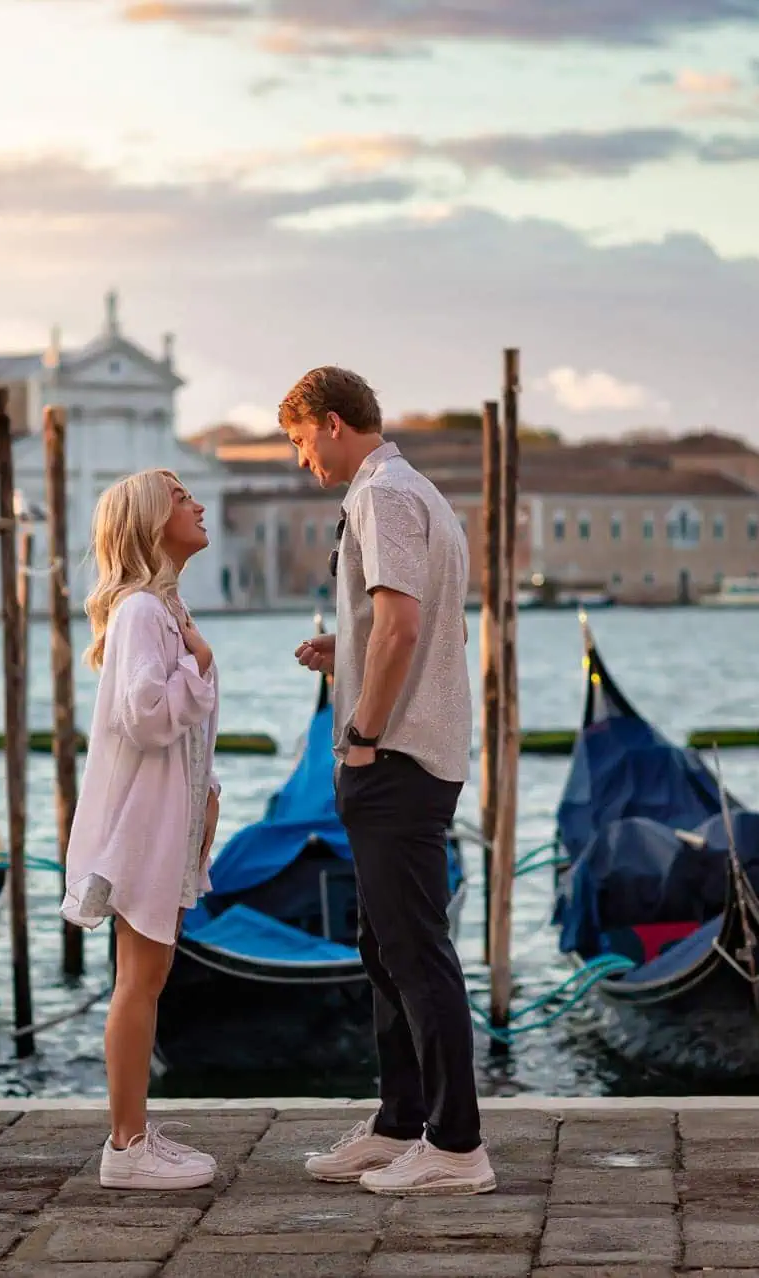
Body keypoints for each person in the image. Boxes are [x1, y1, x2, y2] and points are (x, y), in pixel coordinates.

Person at [278, 365, 494, 1197]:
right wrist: (351, 652)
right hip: (409, 749)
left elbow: (403, 627)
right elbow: (413, 625)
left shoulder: (382, 495)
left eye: (301, 443)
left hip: (397, 756)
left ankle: (456, 1144)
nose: (303, 462)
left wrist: (361, 735)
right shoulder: (415, 493)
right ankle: (401, 1121)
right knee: (383, 948)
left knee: (414, 953)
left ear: (332, 424)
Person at [59, 467, 222, 1191]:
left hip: (168, 821)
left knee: (147, 976)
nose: (199, 503)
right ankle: (126, 1146)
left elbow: (178, 733)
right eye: (183, 497)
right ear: (154, 520)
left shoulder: (161, 608)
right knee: (140, 979)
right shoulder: (142, 615)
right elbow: (146, 714)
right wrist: (205, 665)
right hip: (145, 826)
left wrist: (206, 800)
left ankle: (134, 1133)